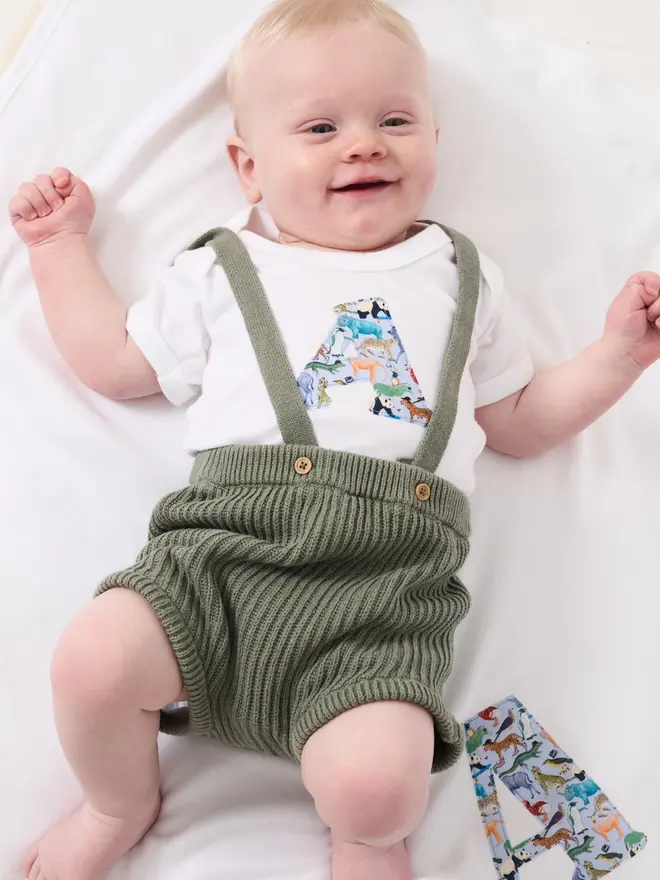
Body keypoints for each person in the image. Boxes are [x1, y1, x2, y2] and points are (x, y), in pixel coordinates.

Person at [8, 1, 660, 878]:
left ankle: (368, 840)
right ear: (249, 167)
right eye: (321, 128)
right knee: (92, 664)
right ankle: (117, 803)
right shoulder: (222, 269)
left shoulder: (464, 279)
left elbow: (520, 420)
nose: (362, 146)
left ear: (434, 139)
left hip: (376, 608)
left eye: (394, 121)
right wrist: (58, 245)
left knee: (379, 783)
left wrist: (619, 356)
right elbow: (116, 362)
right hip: (216, 567)